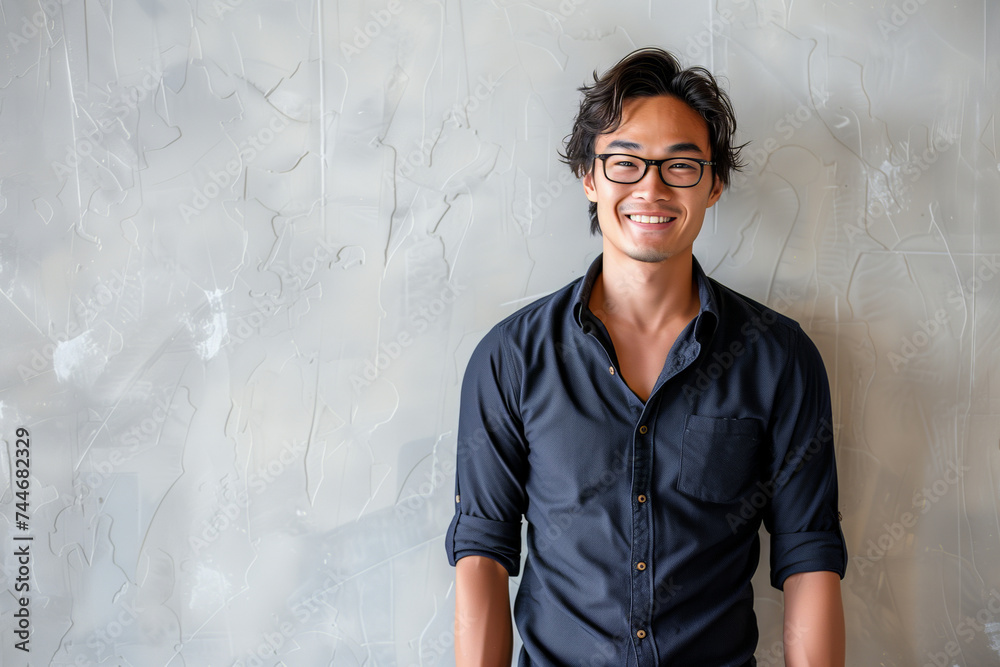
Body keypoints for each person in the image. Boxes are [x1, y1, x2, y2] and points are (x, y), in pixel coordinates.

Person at [446, 47, 847, 667]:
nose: (651, 188)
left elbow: (810, 558)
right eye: (626, 163)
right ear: (589, 176)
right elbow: (483, 555)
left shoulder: (779, 358)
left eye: (680, 165)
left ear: (714, 184)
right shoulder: (510, 359)